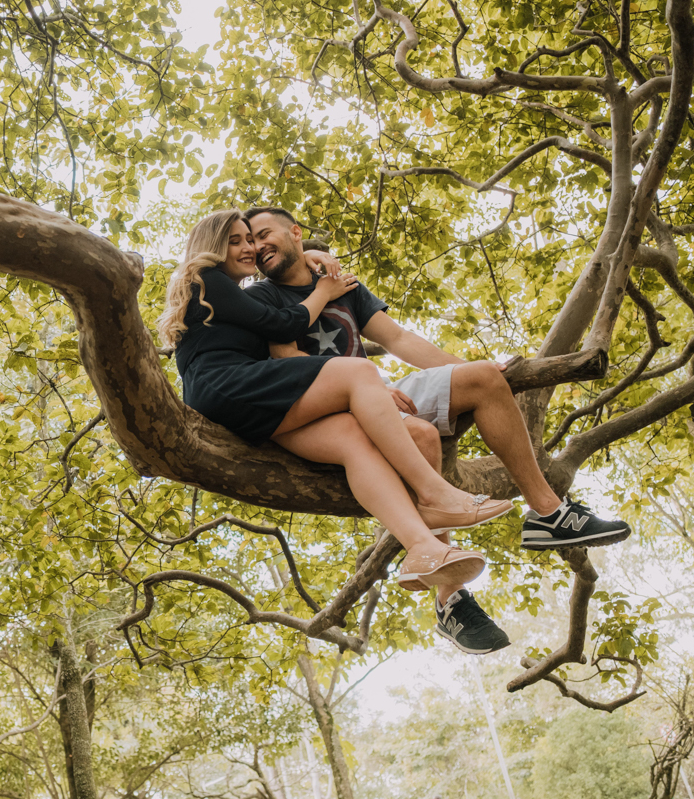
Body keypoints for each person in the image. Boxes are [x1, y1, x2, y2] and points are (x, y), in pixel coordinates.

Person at [241, 206, 632, 653]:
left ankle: (550, 515)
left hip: (379, 392)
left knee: (485, 377)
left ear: (295, 232)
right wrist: (358, 385)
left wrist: (474, 370)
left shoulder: (341, 284)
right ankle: (450, 600)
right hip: (328, 407)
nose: (257, 245)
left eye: (264, 233)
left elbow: (399, 340)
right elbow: (285, 361)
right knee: (422, 436)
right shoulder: (262, 299)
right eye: (250, 240)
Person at [157, 209, 514, 606]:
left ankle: (423, 548)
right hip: (227, 385)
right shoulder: (208, 280)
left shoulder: (233, 293)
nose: (250, 248)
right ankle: (433, 493)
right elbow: (282, 325)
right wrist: (324, 291)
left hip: (249, 406)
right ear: (212, 246)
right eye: (236, 240)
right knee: (359, 371)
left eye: (251, 239)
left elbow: (281, 303)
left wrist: (309, 257)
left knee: (353, 440)